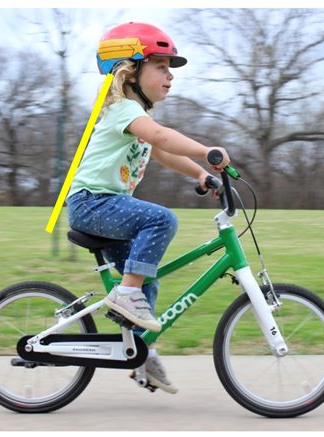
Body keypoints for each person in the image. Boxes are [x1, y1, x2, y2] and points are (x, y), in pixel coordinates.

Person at [66, 22, 230, 394]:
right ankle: (125, 295)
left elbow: (161, 151)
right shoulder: (122, 109)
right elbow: (161, 137)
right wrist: (206, 150)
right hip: (93, 203)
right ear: (131, 70)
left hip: (107, 205)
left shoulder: (136, 116)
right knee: (160, 220)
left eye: (170, 68)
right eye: (160, 66)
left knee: (146, 282)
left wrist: (202, 174)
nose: (170, 75)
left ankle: (142, 355)